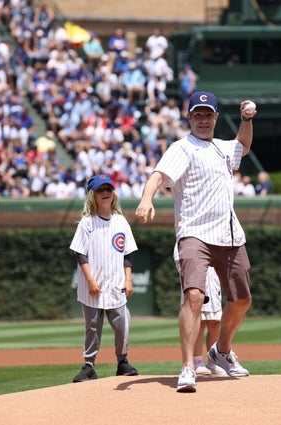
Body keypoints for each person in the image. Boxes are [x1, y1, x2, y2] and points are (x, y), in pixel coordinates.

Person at [135, 91, 257, 392]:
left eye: (208, 114)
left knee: (242, 300)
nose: (203, 119)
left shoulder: (223, 148)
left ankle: (222, 351)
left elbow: (243, 145)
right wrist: (146, 198)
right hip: (194, 234)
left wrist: (245, 119)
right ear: (189, 117)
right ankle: (188, 366)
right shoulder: (182, 148)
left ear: (216, 117)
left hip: (229, 235)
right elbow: (158, 175)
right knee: (193, 297)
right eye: (198, 114)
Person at [70, 174, 139, 383]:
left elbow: (126, 255)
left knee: (123, 324)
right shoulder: (87, 223)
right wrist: (90, 280)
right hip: (93, 284)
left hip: (116, 284)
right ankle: (89, 365)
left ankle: (123, 361)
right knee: (92, 326)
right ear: (93, 195)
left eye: (109, 189)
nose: (106, 193)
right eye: (101, 190)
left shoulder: (120, 221)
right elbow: (80, 254)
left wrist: (128, 279)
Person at [174, 246, 227, 377]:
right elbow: (180, 258)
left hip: (213, 280)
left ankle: (213, 362)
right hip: (196, 280)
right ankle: (197, 362)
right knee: (200, 321)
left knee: (215, 322)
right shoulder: (185, 237)